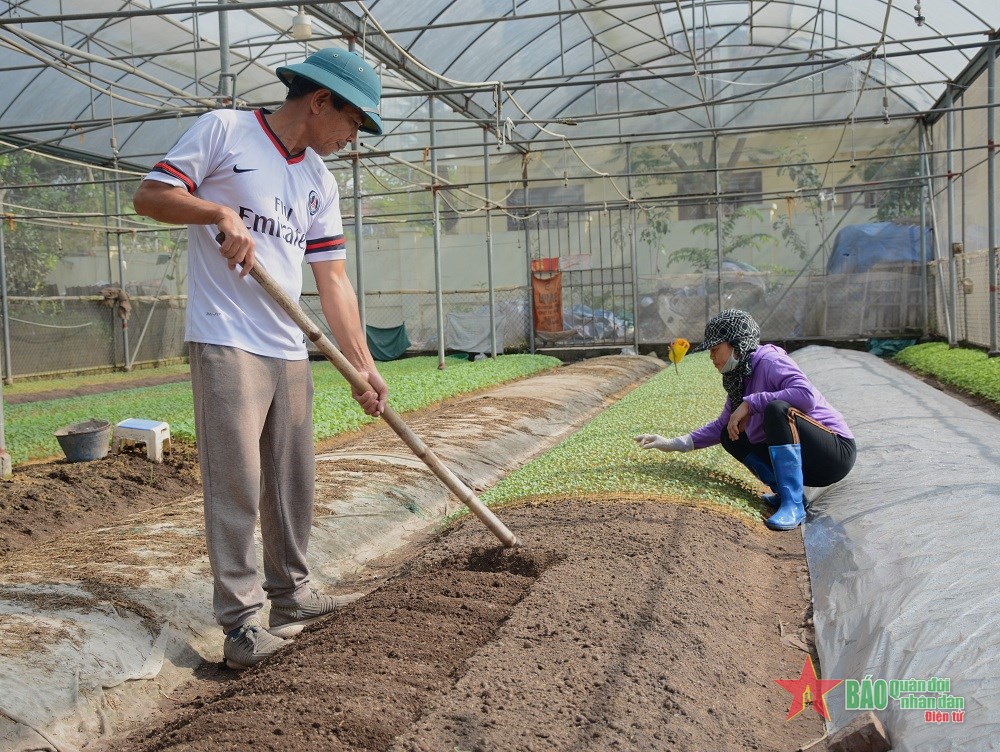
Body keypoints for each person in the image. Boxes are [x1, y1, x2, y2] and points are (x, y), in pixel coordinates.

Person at [133, 47, 388, 670]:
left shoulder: (319, 179)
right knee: (238, 483)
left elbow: (333, 278)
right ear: (320, 100)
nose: (353, 138)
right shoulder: (226, 131)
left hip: (288, 344)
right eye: (353, 122)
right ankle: (241, 624)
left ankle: (292, 597)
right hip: (227, 337)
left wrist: (362, 364)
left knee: (291, 481)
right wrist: (218, 211)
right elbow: (151, 195)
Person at [635, 309, 855, 532]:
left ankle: (793, 505)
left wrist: (751, 404)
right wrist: (673, 443)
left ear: (737, 345)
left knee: (776, 410)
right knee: (729, 433)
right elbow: (722, 425)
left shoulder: (770, 361)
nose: (711, 357)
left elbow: (805, 396)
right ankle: (785, 492)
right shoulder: (738, 378)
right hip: (806, 463)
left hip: (834, 454)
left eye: (715, 349)